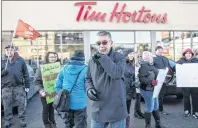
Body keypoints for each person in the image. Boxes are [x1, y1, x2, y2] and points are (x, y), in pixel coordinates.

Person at [86, 31, 128, 128]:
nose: (101, 46)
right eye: (98, 43)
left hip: (116, 108)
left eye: (104, 42)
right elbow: (88, 78)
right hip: (98, 107)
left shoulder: (119, 57)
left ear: (111, 43)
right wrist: (89, 89)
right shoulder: (92, 60)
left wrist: (102, 57)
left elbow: (116, 74)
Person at [55, 50, 88, 128]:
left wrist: (61, 94)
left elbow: (57, 85)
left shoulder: (64, 68)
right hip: (80, 104)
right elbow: (88, 85)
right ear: (83, 59)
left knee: (68, 124)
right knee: (81, 125)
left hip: (66, 102)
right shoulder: (86, 69)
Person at [1, 45, 30, 128]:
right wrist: (2, 72)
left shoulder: (20, 60)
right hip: (6, 88)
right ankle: (8, 120)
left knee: (21, 104)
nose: (9, 51)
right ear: (5, 51)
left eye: (11, 50)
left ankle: (22, 120)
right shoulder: (2, 61)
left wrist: (27, 85)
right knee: (7, 105)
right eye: (7, 50)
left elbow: (26, 73)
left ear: (14, 51)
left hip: (18, 86)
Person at [139, 51, 166, 128]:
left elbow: (156, 75)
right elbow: (141, 78)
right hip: (147, 90)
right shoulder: (143, 66)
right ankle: (148, 125)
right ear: (143, 57)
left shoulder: (152, 65)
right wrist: (151, 82)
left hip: (154, 90)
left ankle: (158, 124)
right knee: (149, 107)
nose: (148, 56)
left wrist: (162, 77)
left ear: (152, 57)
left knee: (155, 106)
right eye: (145, 55)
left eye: (149, 55)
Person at [34, 52, 58, 128]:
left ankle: (53, 123)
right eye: (51, 57)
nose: (53, 58)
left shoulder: (57, 67)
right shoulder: (42, 67)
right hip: (44, 92)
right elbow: (36, 82)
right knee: (46, 109)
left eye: (54, 57)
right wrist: (41, 91)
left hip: (54, 92)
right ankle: (47, 124)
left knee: (52, 109)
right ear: (47, 57)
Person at [177, 48, 198, 119]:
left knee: (195, 97)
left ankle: (196, 111)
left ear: (192, 54)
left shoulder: (196, 60)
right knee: (186, 97)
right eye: (187, 53)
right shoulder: (180, 61)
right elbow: (176, 68)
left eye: (189, 53)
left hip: (194, 82)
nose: (188, 54)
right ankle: (187, 110)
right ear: (184, 54)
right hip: (185, 82)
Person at [153, 46, 170, 115]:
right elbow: (151, 69)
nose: (160, 51)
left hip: (164, 80)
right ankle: (154, 109)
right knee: (155, 95)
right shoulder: (153, 59)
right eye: (158, 50)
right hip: (156, 80)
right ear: (155, 51)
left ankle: (160, 109)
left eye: (161, 50)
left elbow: (169, 68)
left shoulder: (166, 58)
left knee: (161, 95)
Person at [123, 48, 136, 128]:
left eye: (133, 54)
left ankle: (127, 126)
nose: (132, 55)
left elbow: (132, 78)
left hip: (130, 92)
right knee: (122, 112)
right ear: (126, 55)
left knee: (128, 111)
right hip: (123, 92)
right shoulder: (121, 65)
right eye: (130, 54)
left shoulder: (131, 65)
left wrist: (134, 82)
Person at [134, 53, 145, 119]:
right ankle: (136, 113)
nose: (139, 57)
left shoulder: (140, 63)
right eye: (138, 56)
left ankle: (139, 111)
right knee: (137, 99)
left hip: (139, 83)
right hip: (135, 84)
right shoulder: (134, 64)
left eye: (140, 56)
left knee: (139, 98)